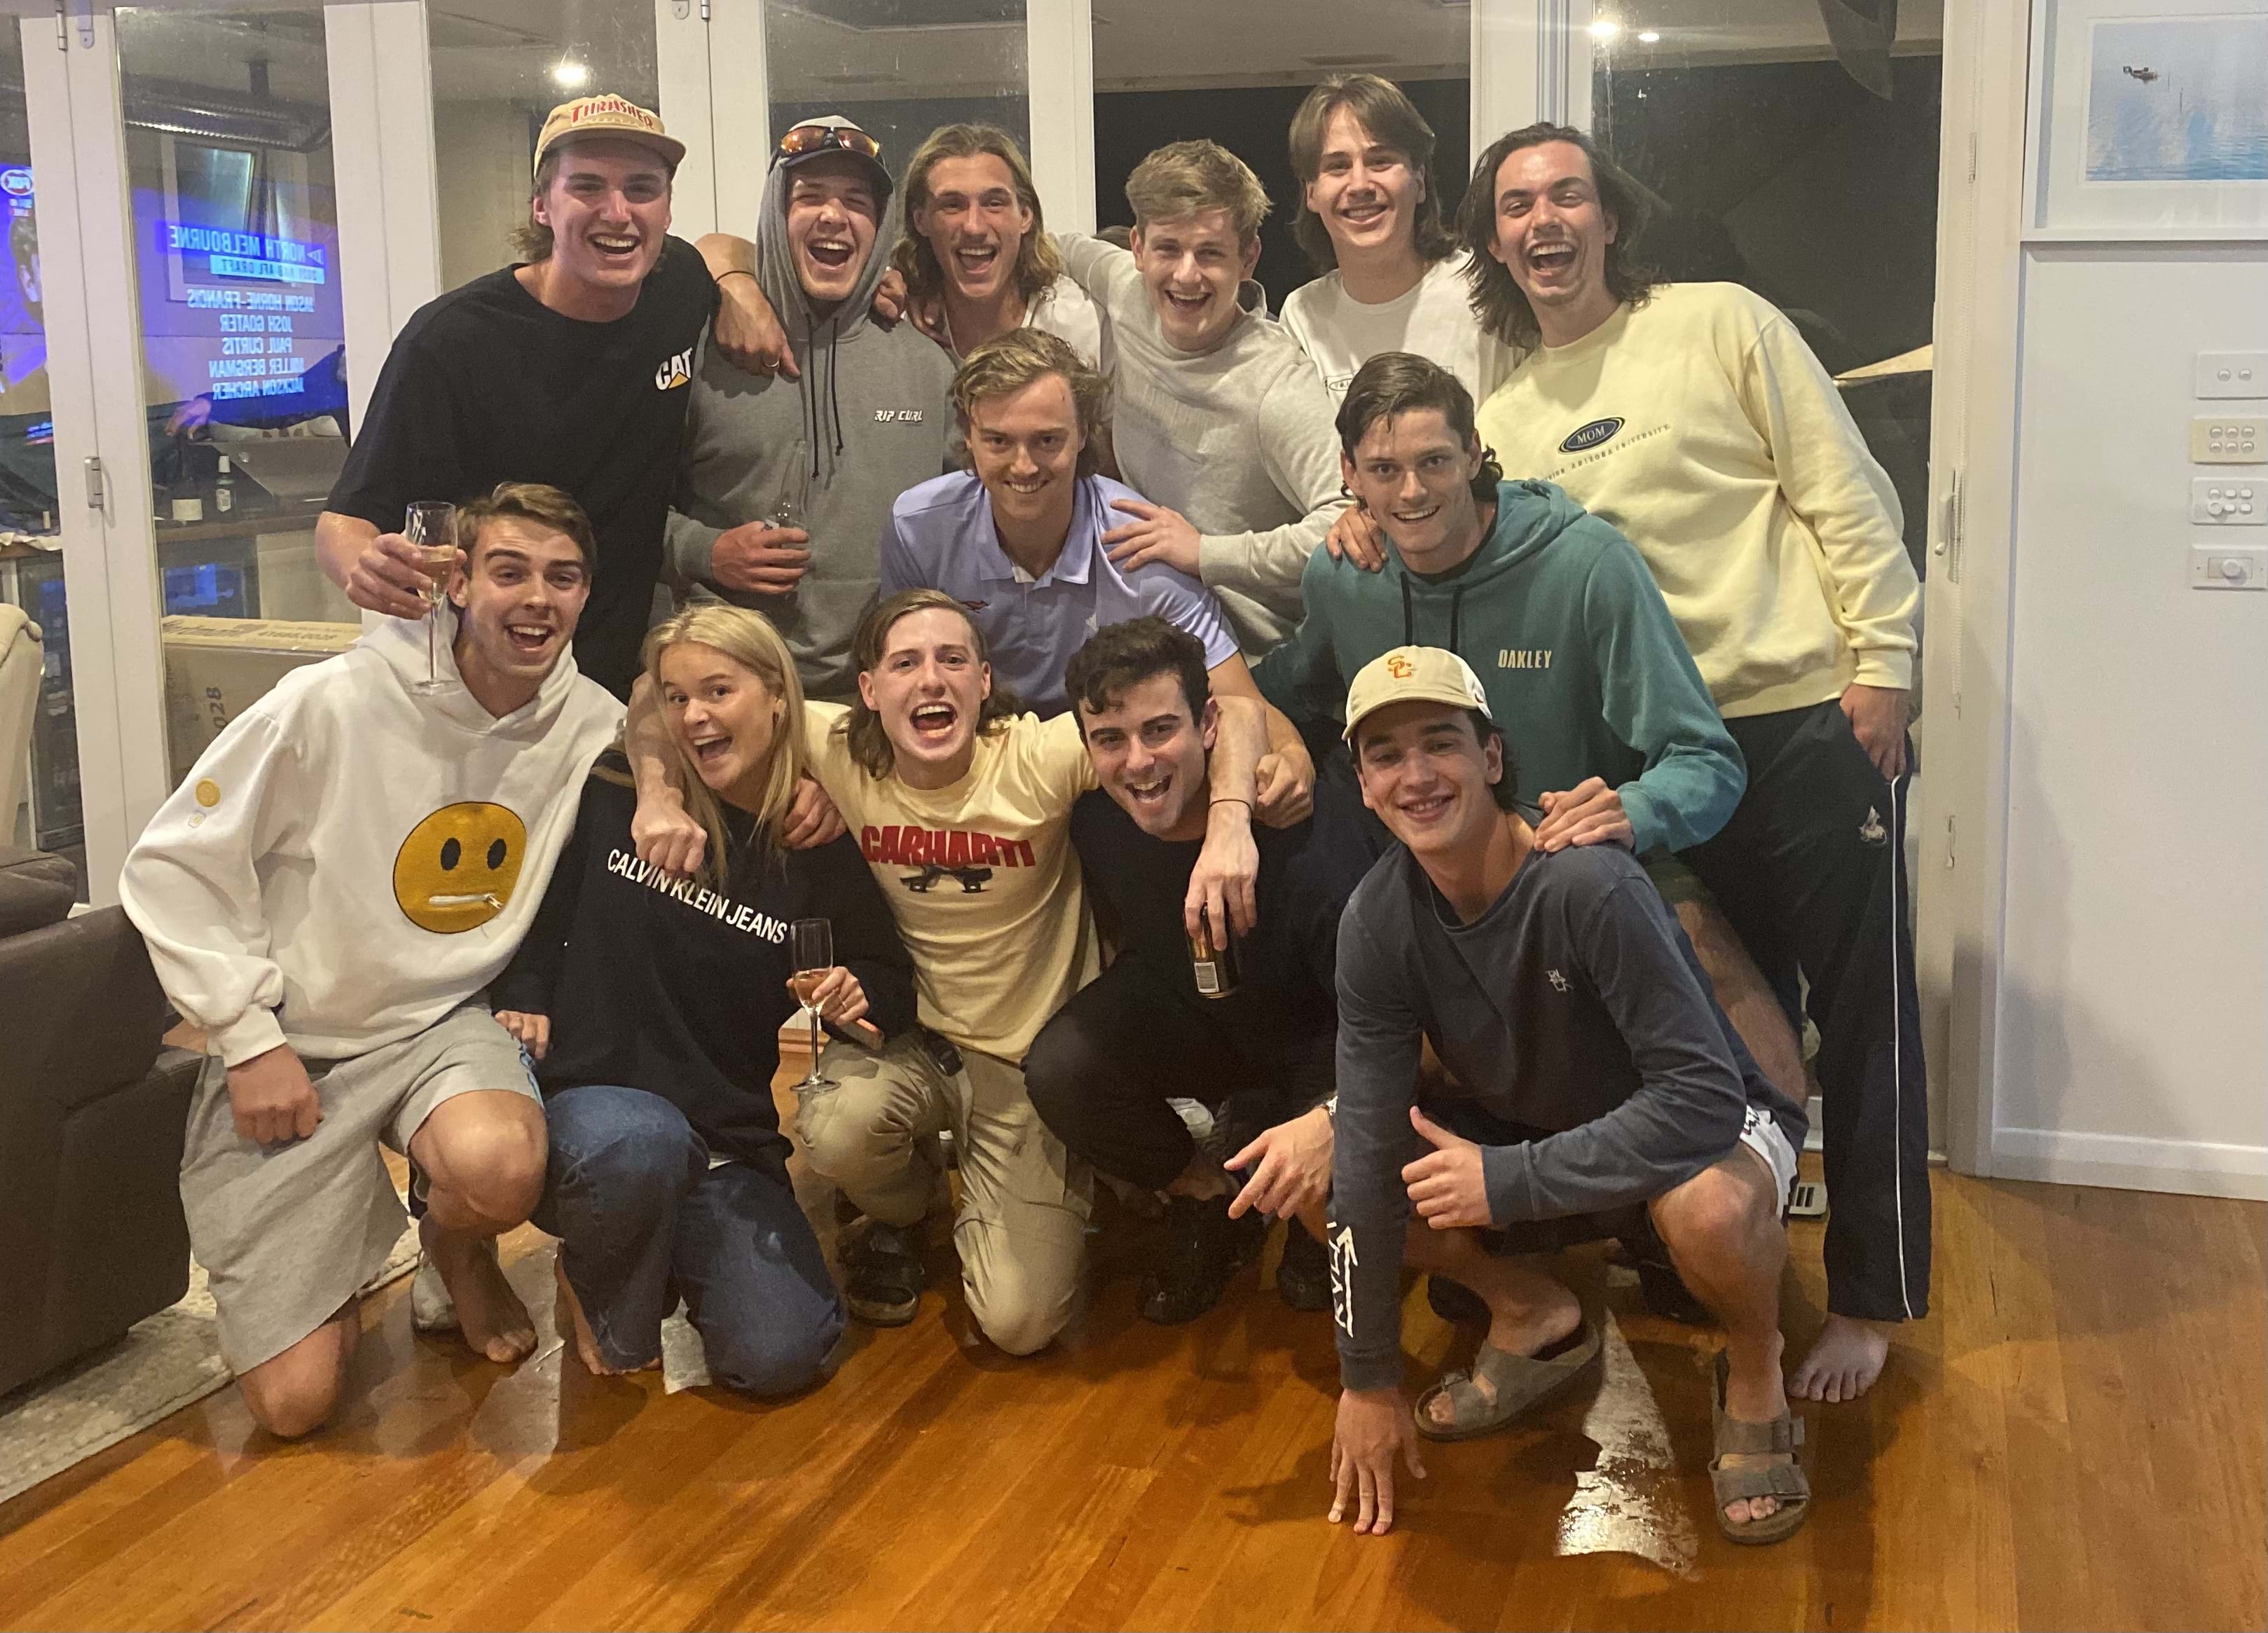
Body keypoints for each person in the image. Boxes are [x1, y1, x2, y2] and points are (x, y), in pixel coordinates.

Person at [1465, 123, 1928, 1402]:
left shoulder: (1721, 321)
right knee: (1730, 1038)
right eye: (1516, 205)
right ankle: (1745, 1284)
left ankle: (1872, 1296)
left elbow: (1843, 489)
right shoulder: (1504, 415)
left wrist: (1883, 661)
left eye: (1566, 195)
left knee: (1864, 1016)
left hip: (1801, 718)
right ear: (1494, 240)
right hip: (1660, 760)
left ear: (1609, 216)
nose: (1544, 221)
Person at [119, 483, 623, 1438]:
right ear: (457, 582)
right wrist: (245, 1036)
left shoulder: (593, 723)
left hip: (440, 1023)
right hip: (295, 1044)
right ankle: (330, 1248)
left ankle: (454, 1245)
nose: (536, 598)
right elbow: (173, 863)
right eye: (509, 571)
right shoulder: (329, 702)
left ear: (586, 596)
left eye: (562, 578)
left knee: (500, 1165)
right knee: (295, 1406)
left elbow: (711, 743)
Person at [1322, 646, 1810, 1545]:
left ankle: (1755, 1368)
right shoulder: (1375, 920)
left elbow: (1700, 1101)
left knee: (1709, 1212)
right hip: (1547, 1128)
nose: (1416, 776)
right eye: (1386, 756)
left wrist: (1508, 1180)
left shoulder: (1588, 881)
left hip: (1706, 1121)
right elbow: (1364, 1144)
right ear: (1362, 785)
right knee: (1339, 1172)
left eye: (1441, 743)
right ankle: (1530, 1311)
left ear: (1492, 757)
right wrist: (1367, 1378)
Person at [732, 589, 1274, 1356]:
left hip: (1024, 1071)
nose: (931, 679)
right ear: (868, 690)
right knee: (835, 1130)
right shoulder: (839, 750)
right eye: (906, 663)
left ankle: (1035, 1181)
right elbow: (667, 693)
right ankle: (908, 1208)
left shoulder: (1036, 755)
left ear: (984, 682)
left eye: (953, 659)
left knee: (1021, 1325)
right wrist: (658, 796)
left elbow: (1236, 710)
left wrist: (1230, 818)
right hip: (912, 1045)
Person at [318, 95, 767, 699]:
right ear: (541, 206)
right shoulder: (452, 341)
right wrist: (366, 567)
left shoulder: (678, 283)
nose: (618, 213)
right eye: (587, 186)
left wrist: (741, 288)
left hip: (612, 680)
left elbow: (722, 247)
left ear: (665, 210)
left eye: (641, 189)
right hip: (479, 682)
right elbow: (343, 522)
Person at [1023, 619, 1378, 1323]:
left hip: (1323, 1038)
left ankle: (1304, 1194)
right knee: (1061, 1067)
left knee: (1315, 1277)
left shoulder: (1301, 826)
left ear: (1207, 724)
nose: (1138, 762)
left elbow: (1386, 1019)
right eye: (1110, 739)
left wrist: (1329, 1120)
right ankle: (1204, 1195)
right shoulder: (1093, 817)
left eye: (1160, 730)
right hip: (1196, 1016)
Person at [877, 326, 1308, 801]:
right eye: (998, 441)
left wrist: (1290, 752)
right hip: (970, 760)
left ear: (1084, 433)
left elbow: (1236, 700)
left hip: (1111, 771)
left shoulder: (1142, 546)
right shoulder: (919, 529)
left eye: (1047, 440)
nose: (1023, 466)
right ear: (968, 437)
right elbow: (893, 678)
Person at [666, 117, 957, 703]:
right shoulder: (702, 350)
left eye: (856, 201)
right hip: (729, 694)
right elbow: (625, 510)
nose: (833, 215)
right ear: (775, 215)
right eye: (809, 196)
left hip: (879, 703)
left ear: (880, 226)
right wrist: (706, 551)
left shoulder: (930, 368)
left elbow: (966, 532)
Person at [1052, 140, 1347, 652]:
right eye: (1168, 249)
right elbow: (1056, 246)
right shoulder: (1126, 291)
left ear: (1248, 258)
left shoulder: (1277, 384)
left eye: (1210, 253)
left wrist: (1207, 553)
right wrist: (911, 281)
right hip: (1151, 636)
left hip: (1261, 660)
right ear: (1138, 248)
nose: (1186, 275)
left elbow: (1347, 520)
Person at [1279, 75, 1504, 404]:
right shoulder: (1303, 315)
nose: (1360, 185)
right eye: (1338, 167)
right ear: (1311, 193)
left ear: (1420, 181)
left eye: (1380, 161)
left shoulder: (1485, 293)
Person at [890, 123, 1109, 370]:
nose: (974, 227)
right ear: (920, 220)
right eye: (952, 205)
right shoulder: (896, 320)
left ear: (1025, 216)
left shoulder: (1083, 327)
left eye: (994, 203)